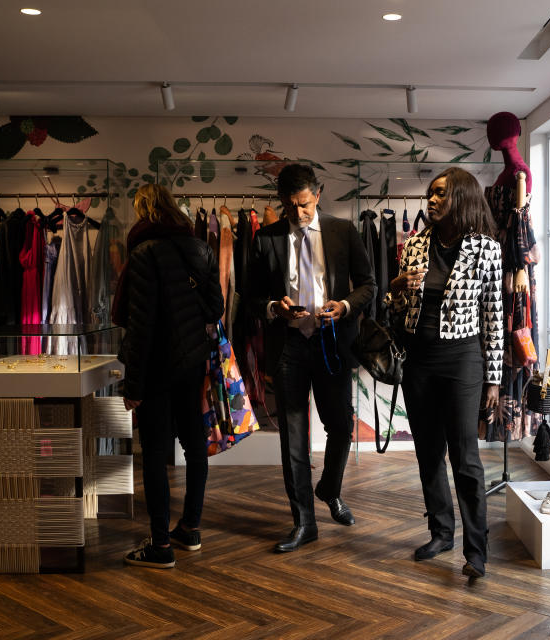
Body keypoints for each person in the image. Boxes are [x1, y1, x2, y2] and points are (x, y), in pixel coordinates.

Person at [247, 164, 375, 553]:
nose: (298, 214)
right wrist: (274, 307)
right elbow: (250, 296)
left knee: (340, 426)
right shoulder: (265, 238)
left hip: (332, 342)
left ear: (318, 194)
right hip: (289, 347)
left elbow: (369, 285)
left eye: (303, 205)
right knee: (293, 437)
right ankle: (304, 522)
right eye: (289, 207)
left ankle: (330, 489)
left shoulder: (342, 231)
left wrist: (345, 306)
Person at [385, 167, 503, 579]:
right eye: (430, 195)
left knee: (465, 457)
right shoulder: (414, 244)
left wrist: (494, 377)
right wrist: (394, 292)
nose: (431, 201)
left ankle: (477, 550)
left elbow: (493, 316)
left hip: (463, 360)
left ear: (462, 198)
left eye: (440, 194)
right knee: (428, 452)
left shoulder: (486, 248)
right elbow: (400, 316)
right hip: (420, 360)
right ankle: (441, 531)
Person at [113, 183, 223, 569]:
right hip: (193, 363)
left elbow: (140, 326)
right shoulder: (202, 248)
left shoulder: (143, 252)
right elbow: (216, 307)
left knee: (156, 454)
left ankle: (160, 546)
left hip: (158, 366)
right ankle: (190, 528)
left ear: (144, 211)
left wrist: (133, 386)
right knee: (195, 446)